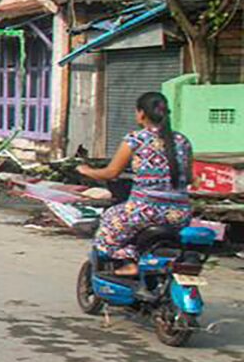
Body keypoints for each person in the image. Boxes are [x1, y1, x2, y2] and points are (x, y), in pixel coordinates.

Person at [77, 90, 194, 274]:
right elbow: (188, 178)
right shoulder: (182, 141)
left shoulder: (136, 139)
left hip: (145, 211)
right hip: (180, 214)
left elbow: (111, 172)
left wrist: (86, 171)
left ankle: (128, 260)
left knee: (109, 221)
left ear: (141, 113)